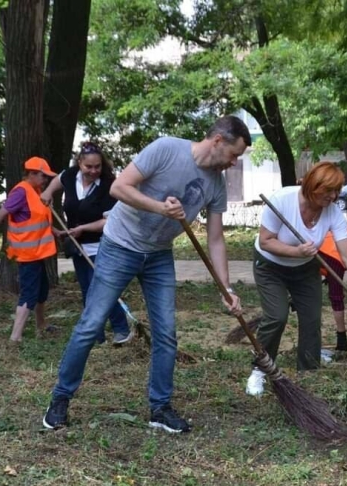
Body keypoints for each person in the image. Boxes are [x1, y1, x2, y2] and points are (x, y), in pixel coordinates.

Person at [43, 116, 251, 433]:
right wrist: (160, 208)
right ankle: (59, 400)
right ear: (218, 141)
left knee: (166, 332)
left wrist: (226, 288)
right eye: (234, 155)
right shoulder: (167, 149)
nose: (234, 163)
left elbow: (216, 239)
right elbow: (119, 187)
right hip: (120, 244)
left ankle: (160, 408)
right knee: (92, 323)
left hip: (158, 255)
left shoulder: (216, 184)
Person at [246, 162, 347, 396]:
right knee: (277, 317)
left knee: (311, 319)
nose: (333, 196)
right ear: (312, 185)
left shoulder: (332, 211)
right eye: (327, 190)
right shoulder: (281, 201)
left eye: (336, 191)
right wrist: (295, 251)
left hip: (304, 268)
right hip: (270, 266)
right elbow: (267, 240)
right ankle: (259, 370)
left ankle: (308, 374)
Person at [40, 142, 132, 345]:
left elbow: (109, 221)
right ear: (80, 163)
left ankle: (121, 330)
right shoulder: (71, 175)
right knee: (86, 289)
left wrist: (83, 228)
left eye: (97, 166)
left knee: (101, 289)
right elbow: (58, 180)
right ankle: (96, 335)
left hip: (102, 245)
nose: (93, 171)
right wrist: (47, 193)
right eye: (88, 166)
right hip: (77, 245)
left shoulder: (109, 185)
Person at [0, 157, 58, 342]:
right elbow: (0, 216)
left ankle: (41, 325)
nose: (46, 179)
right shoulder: (21, 192)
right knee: (29, 293)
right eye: (43, 175)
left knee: (42, 290)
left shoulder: (38, 191)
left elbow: (39, 221)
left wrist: (57, 231)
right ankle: (15, 337)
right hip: (27, 255)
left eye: (48, 176)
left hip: (39, 253)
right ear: (31, 173)